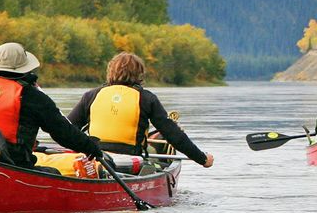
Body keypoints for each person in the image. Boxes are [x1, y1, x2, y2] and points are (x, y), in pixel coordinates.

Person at [0, 42, 105, 174]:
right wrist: (91, 147)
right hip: (15, 163)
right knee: (55, 173)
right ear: (25, 69)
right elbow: (63, 133)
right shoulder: (32, 96)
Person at [67, 52, 214, 168]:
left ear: (110, 72)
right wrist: (203, 159)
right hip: (130, 161)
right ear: (139, 74)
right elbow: (173, 135)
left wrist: (82, 148)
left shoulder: (91, 96)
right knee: (153, 154)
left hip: (96, 159)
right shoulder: (147, 98)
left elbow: (67, 128)